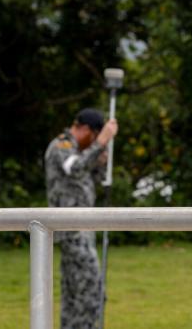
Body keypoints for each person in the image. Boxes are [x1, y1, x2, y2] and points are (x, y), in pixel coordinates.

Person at [44, 108, 118, 329]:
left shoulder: (79, 151)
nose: (95, 141)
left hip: (82, 230)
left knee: (75, 294)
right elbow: (74, 169)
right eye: (95, 136)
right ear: (85, 130)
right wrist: (101, 143)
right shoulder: (61, 146)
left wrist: (100, 158)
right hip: (72, 232)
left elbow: (90, 176)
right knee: (90, 290)